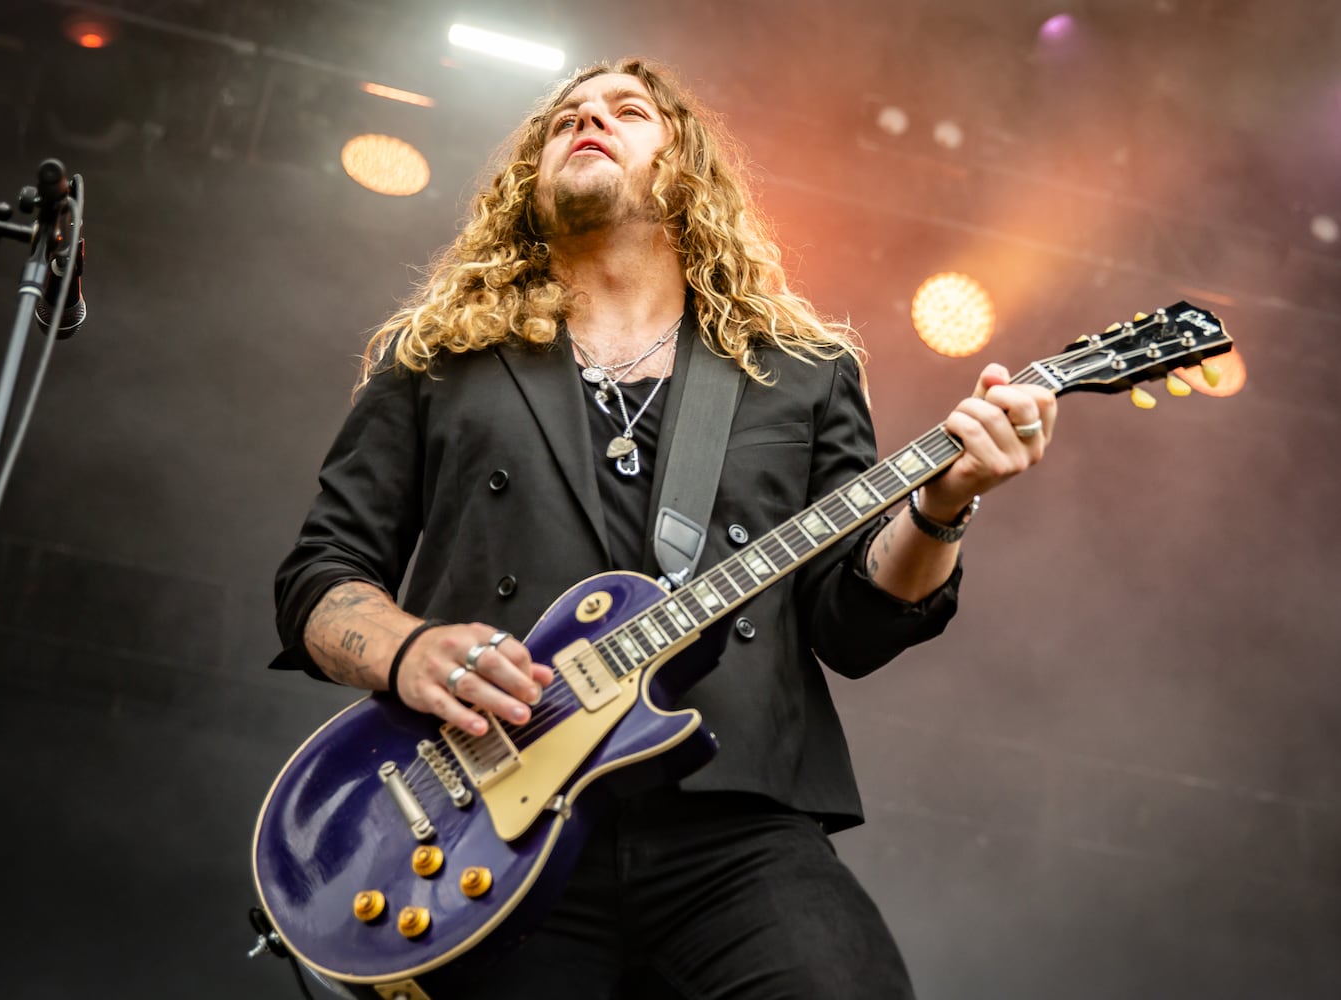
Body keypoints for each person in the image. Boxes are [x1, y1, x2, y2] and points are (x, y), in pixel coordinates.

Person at [271, 57, 1056, 999]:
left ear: (684, 169)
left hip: (734, 823)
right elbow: (321, 574)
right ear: (531, 174)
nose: (587, 119)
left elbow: (856, 622)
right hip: (490, 819)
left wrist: (943, 502)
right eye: (565, 117)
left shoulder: (803, 372)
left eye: (627, 109)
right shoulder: (443, 357)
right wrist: (410, 651)